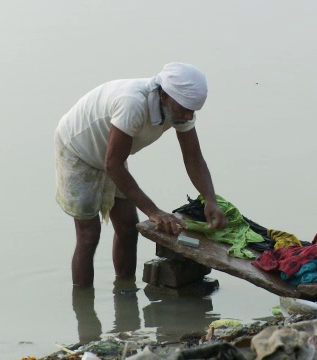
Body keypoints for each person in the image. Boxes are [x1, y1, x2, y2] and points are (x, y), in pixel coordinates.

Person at [54, 62, 228, 287]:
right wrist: (154, 211)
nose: (187, 116)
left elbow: (193, 157)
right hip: (76, 148)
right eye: (183, 109)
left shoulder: (181, 111)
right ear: (164, 96)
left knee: (128, 227)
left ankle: (125, 291)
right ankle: (83, 306)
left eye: (192, 111)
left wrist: (210, 200)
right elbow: (113, 165)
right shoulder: (133, 103)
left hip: (111, 152)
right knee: (89, 235)